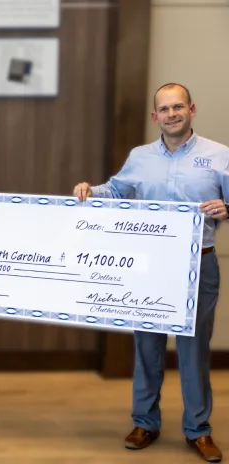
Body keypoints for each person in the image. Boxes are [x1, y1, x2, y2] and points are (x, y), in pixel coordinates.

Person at [73, 83, 229, 463]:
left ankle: (198, 430)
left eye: (179, 106)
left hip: (198, 265)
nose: (172, 114)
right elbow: (114, 190)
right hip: (148, 268)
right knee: (147, 347)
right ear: (154, 116)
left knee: (193, 352)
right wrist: (88, 191)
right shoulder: (139, 157)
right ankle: (145, 423)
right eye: (164, 108)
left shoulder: (220, 156)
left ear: (191, 110)